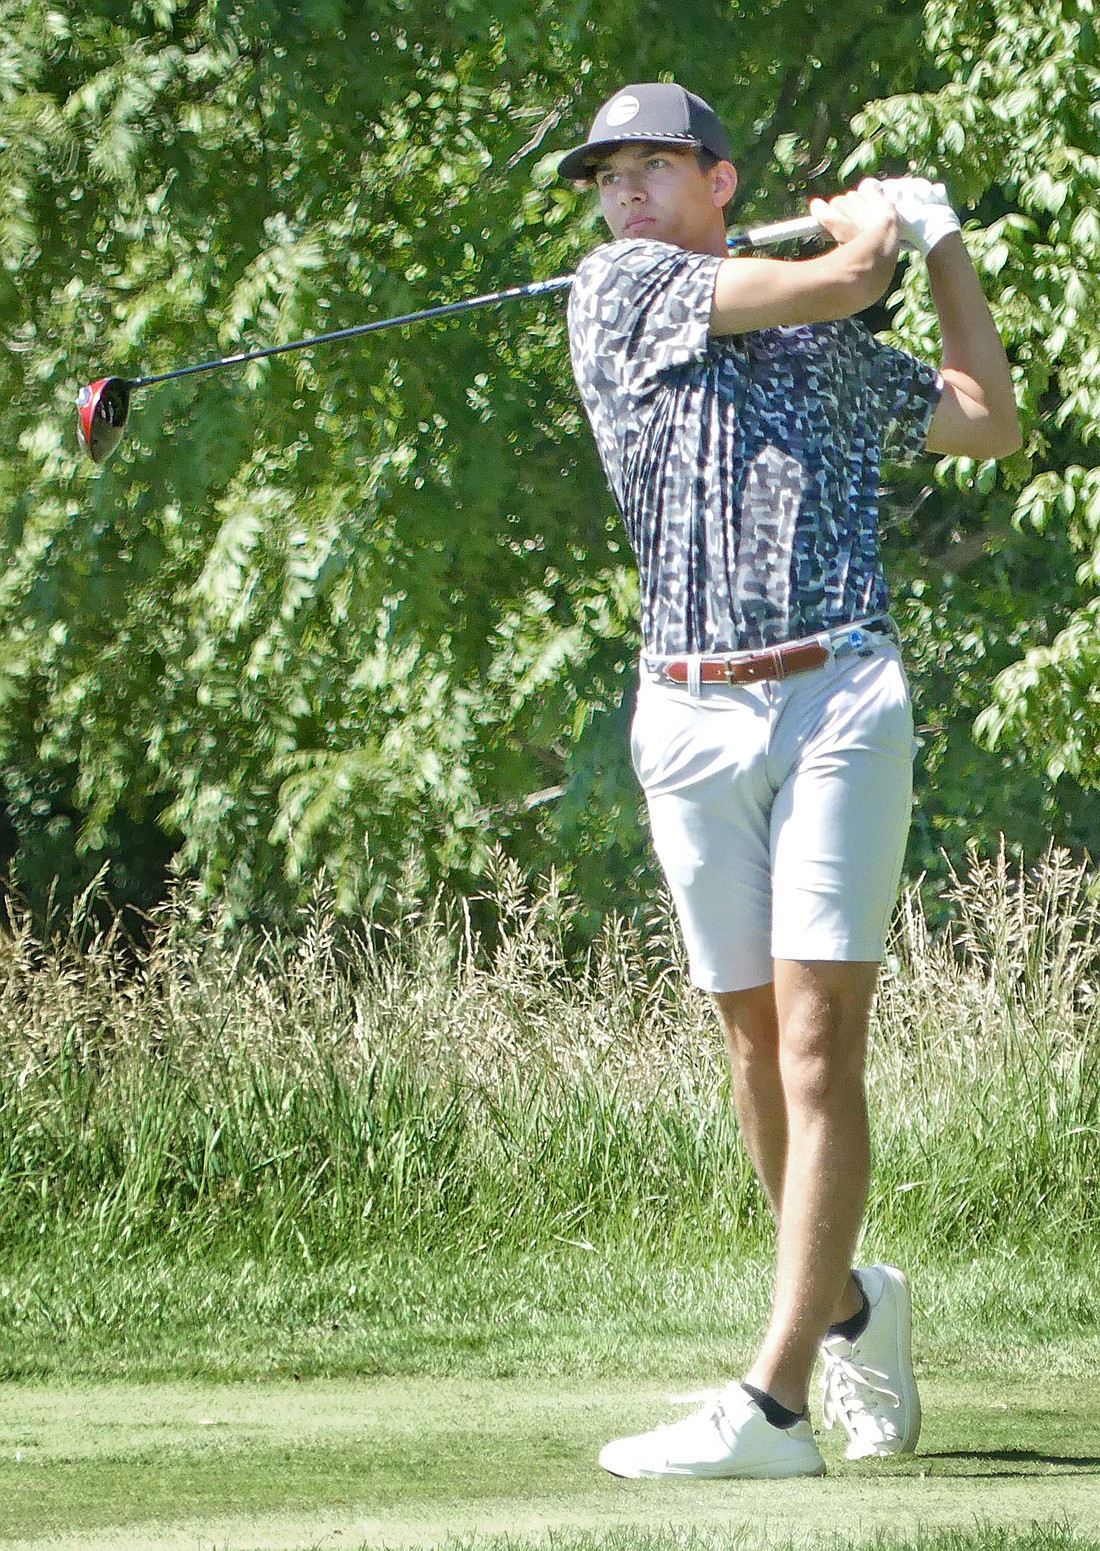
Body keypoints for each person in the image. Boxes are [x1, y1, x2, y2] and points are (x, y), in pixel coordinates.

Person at [558, 81, 1020, 1479]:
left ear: (718, 177)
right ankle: (854, 1311)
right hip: (688, 715)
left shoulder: (822, 338)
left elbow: (985, 421)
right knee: (755, 1049)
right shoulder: (617, 287)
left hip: (838, 699)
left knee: (820, 1048)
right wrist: (879, 230)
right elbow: (838, 276)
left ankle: (770, 1406)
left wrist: (943, 248)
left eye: (653, 168)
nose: (624, 194)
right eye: (607, 174)